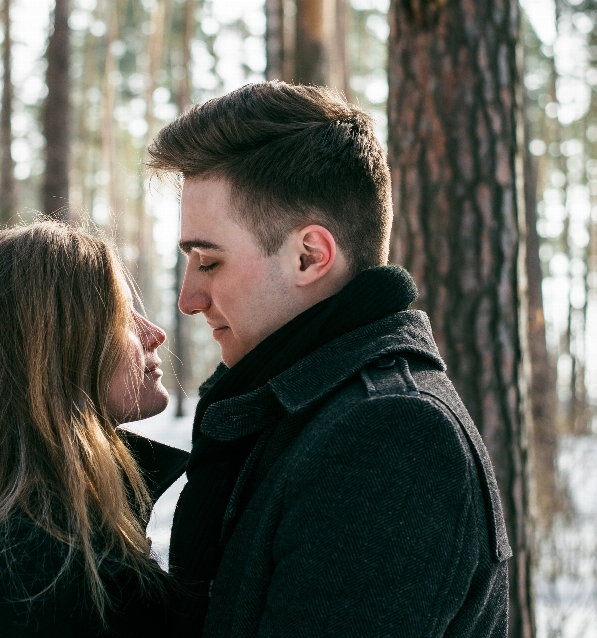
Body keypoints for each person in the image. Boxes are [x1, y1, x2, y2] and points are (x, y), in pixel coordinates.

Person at [147, 82, 511, 637]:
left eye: (209, 261)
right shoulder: (297, 413)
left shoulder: (390, 435)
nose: (188, 300)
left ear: (309, 255)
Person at [0, 221, 189, 638]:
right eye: (121, 315)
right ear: (56, 351)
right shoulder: (35, 580)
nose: (154, 333)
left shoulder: (34, 552)